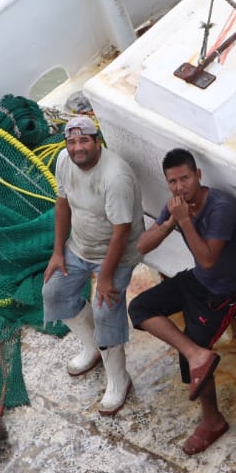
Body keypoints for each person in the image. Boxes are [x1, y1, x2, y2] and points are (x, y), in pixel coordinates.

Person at [130, 148, 236, 455]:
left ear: (198, 175)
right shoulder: (177, 207)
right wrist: (170, 222)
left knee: (191, 358)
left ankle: (212, 421)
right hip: (197, 281)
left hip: (225, 293)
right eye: (172, 182)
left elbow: (210, 260)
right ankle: (196, 353)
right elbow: (142, 246)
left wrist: (184, 221)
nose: (179, 187)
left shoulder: (219, 208)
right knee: (140, 307)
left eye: (185, 178)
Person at [42, 115, 144, 416]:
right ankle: (93, 347)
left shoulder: (115, 176)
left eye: (84, 140)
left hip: (117, 253)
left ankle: (118, 378)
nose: (77, 148)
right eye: (71, 142)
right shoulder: (63, 160)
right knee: (54, 292)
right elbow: (62, 203)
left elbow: (122, 231)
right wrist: (58, 251)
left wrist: (106, 277)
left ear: (97, 141)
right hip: (79, 245)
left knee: (105, 308)